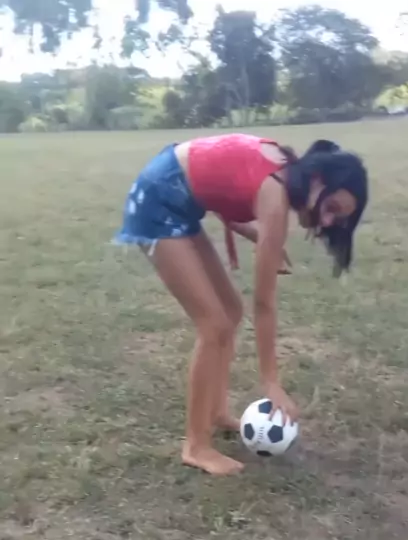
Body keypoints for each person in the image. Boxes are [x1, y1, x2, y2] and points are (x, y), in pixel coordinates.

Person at [114, 133, 368, 476]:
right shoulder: (275, 196)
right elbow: (263, 303)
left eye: (337, 220)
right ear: (318, 181)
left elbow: (226, 195)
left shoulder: (283, 173)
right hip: (156, 200)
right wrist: (271, 382)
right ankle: (196, 446)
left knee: (230, 313)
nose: (327, 222)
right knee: (214, 326)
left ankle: (217, 413)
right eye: (331, 208)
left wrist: (261, 239)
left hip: (177, 197)